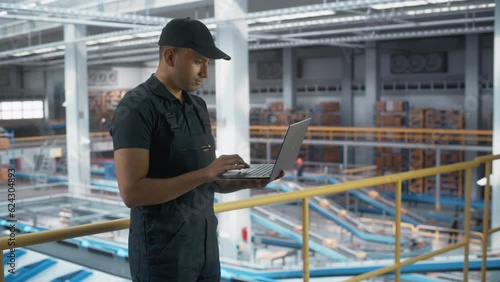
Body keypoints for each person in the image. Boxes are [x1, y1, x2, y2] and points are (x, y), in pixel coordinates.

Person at [110, 18, 284, 282]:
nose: (205, 73)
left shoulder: (197, 106)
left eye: (208, 64)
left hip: (204, 250)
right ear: (170, 56)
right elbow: (133, 193)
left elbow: (207, 180)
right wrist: (205, 174)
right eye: (198, 61)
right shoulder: (136, 107)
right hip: (162, 258)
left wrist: (252, 179)